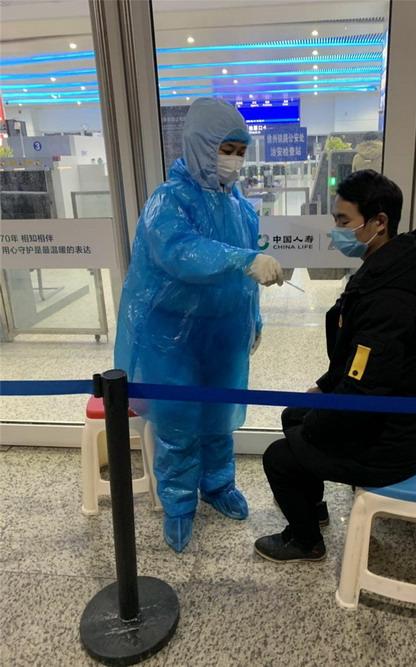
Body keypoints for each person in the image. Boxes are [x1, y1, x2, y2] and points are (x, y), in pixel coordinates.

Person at [254, 169, 416, 563]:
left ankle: (306, 542)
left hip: (389, 443)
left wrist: (315, 422)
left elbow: (364, 392)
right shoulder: (402, 269)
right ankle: (314, 507)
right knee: (295, 413)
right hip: (395, 419)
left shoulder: (390, 298)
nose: (336, 231)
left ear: (379, 222)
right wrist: (324, 387)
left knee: (279, 457)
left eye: (343, 221)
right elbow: (362, 360)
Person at [114, 97, 283, 552]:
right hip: (172, 337)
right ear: (200, 145)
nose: (235, 160)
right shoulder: (168, 200)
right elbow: (180, 252)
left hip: (224, 331)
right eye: (226, 149)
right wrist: (245, 259)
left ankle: (218, 485)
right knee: (178, 422)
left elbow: (245, 279)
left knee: (218, 416)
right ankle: (178, 503)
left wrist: (254, 317)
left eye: (240, 151)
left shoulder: (241, 207)